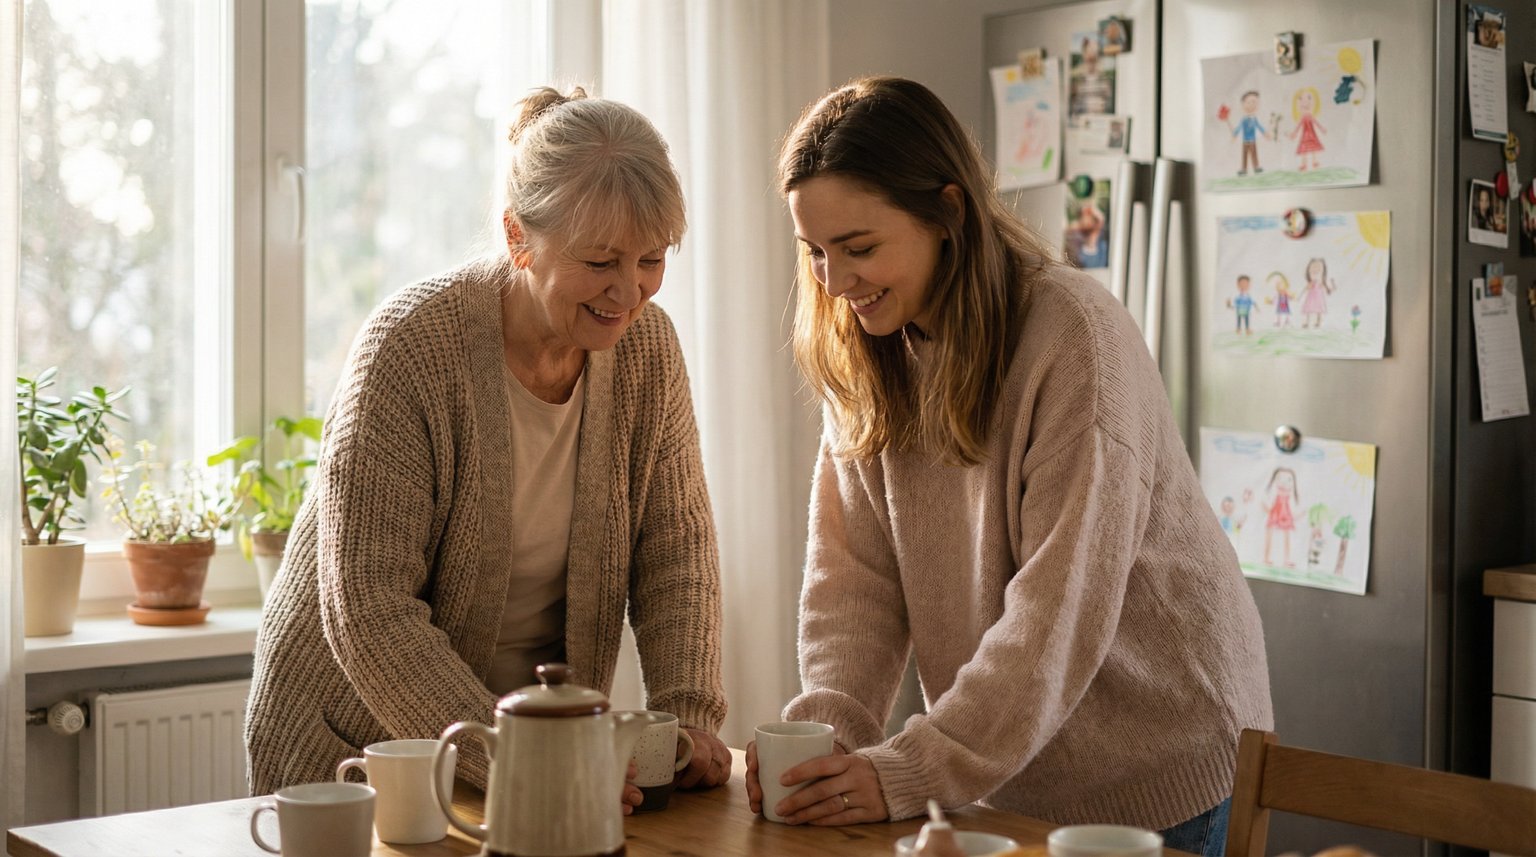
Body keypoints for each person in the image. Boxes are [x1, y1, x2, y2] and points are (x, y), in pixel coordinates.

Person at [745, 76, 1272, 857]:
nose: (834, 280)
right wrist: (824, 739)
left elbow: (1055, 617)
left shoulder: (1073, 337)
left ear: (948, 213)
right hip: (1006, 763)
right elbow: (852, 582)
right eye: (814, 251)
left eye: (858, 248)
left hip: (1154, 757)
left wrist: (911, 768)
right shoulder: (868, 349)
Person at [245, 86, 731, 808]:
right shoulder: (409, 347)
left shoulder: (647, 351)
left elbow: (676, 554)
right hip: (357, 749)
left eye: (652, 259)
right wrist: (522, 761)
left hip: (543, 757)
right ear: (517, 237)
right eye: (601, 262)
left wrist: (688, 720)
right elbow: (370, 607)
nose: (629, 292)